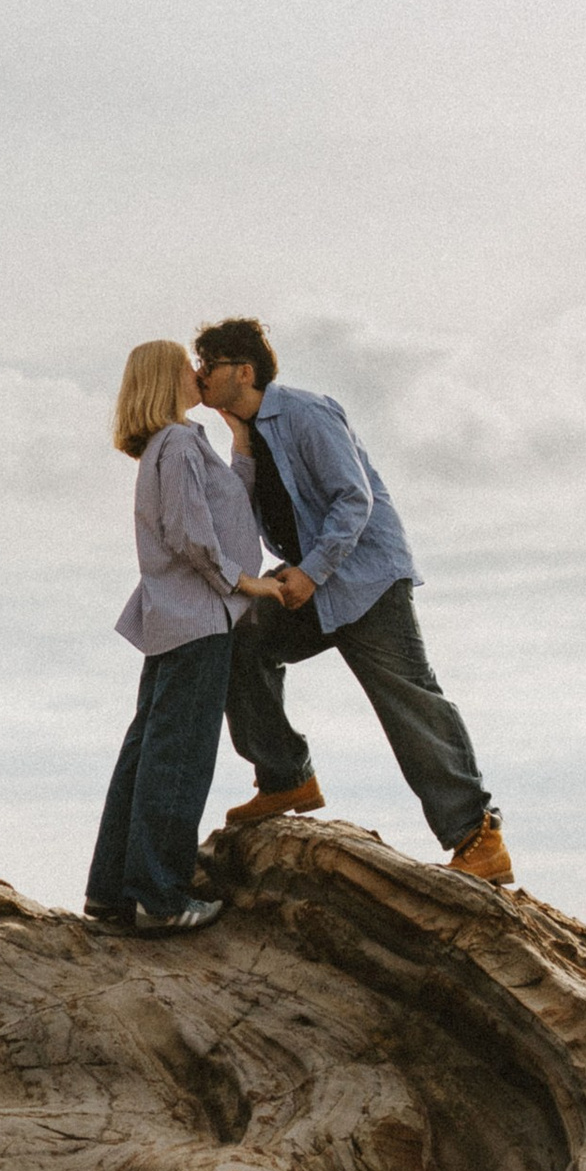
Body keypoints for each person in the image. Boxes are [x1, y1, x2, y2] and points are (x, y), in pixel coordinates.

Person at [192, 316, 513, 883]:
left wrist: (311, 573)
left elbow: (352, 498)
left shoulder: (304, 412)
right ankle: (285, 776)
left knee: (408, 699)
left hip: (364, 578)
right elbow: (240, 514)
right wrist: (239, 443)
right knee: (238, 635)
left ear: (243, 371)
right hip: (309, 582)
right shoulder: (253, 433)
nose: (198, 376)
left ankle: (477, 836)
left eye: (207, 365)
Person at [86, 338, 270, 934]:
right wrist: (247, 582)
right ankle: (159, 900)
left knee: (146, 755)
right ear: (168, 379)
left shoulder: (167, 447)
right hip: (198, 618)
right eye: (187, 366)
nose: (199, 371)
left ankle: (111, 893)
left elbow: (230, 510)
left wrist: (240, 445)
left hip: (171, 618)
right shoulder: (182, 441)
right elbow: (191, 530)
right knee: (180, 758)